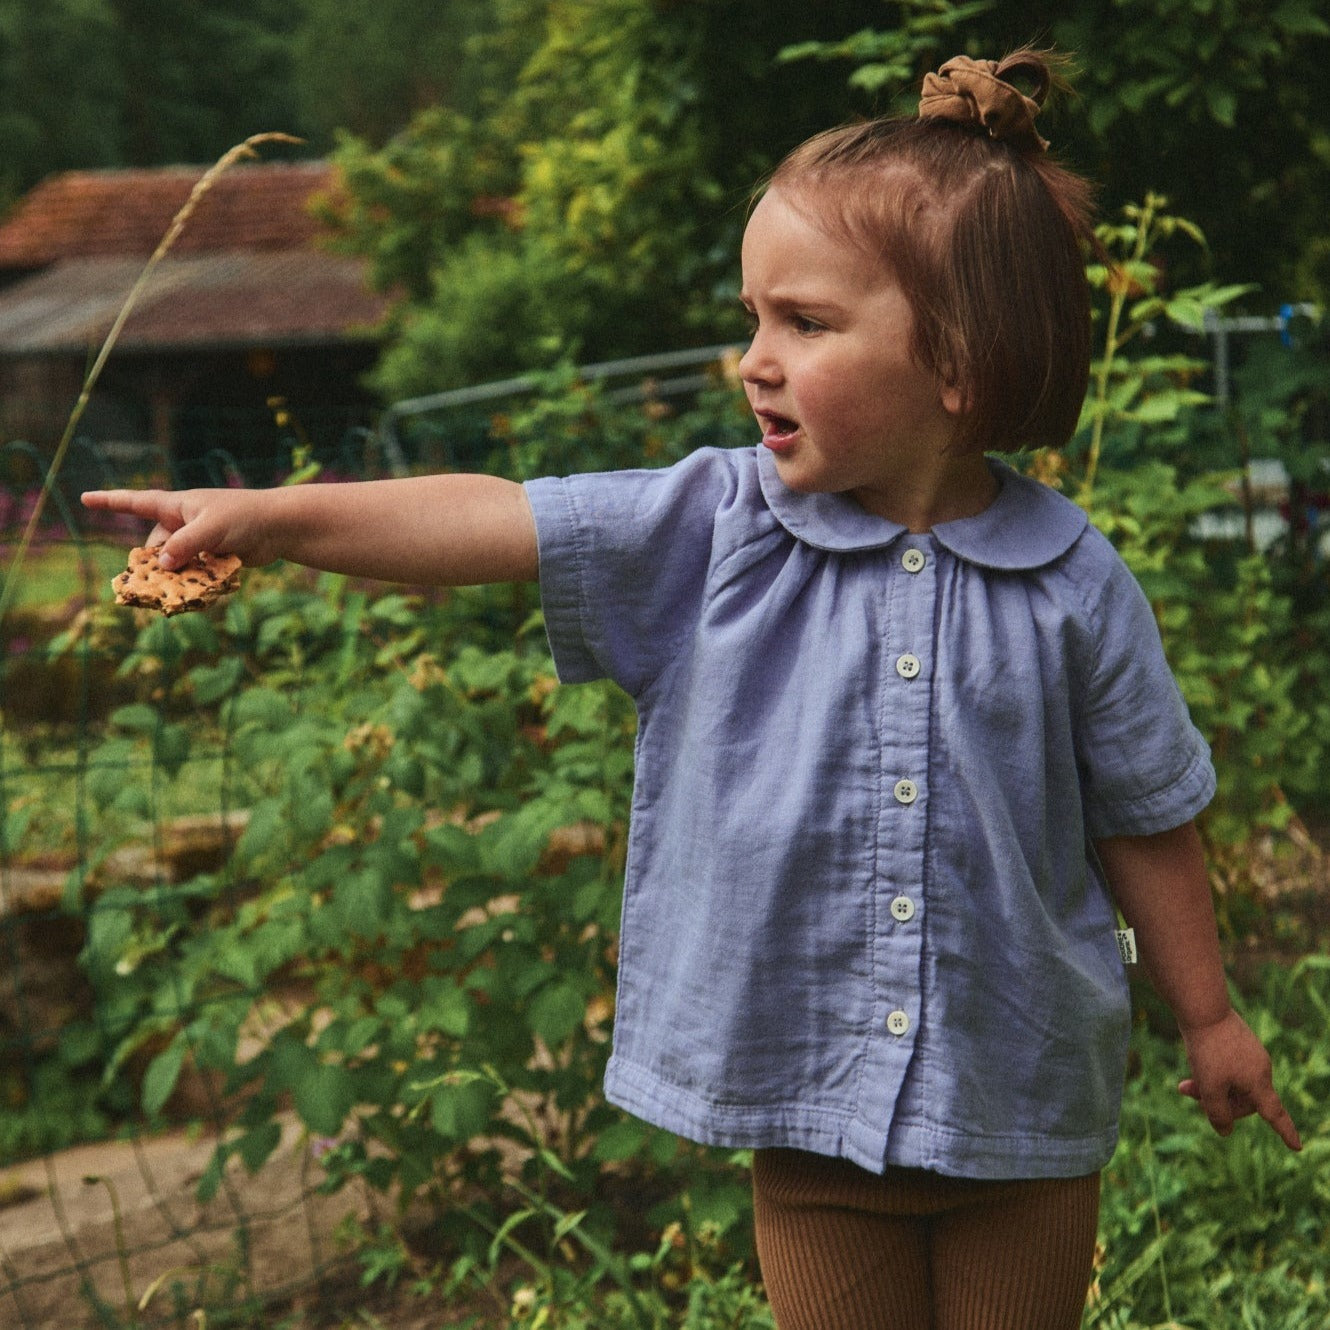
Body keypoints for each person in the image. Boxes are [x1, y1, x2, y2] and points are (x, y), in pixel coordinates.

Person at [84, 49, 1300, 1330]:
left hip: (1026, 1112)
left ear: (961, 362)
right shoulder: (714, 527)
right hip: (808, 1112)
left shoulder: (1073, 582)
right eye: (752, 317)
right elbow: (497, 519)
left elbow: (1144, 814)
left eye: (806, 324)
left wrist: (1208, 1016)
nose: (753, 360)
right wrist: (273, 516)